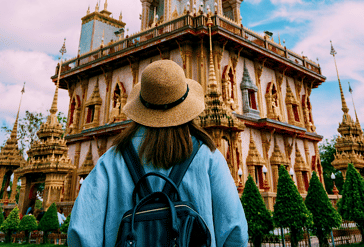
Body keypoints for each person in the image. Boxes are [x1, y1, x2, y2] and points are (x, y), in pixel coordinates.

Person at [67, 59, 248, 247]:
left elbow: (81, 233)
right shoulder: (209, 157)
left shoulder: (112, 160)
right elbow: (235, 231)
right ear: (187, 105)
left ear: (141, 106)